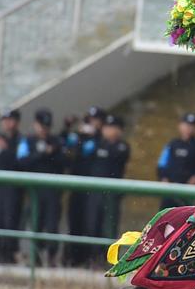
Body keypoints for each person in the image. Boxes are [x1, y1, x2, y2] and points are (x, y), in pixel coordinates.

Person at [17, 108, 63, 265]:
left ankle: (51, 256)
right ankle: (34, 257)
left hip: (52, 190)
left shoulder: (56, 141)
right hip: (34, 190)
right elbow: (22, 161)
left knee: (52, 225)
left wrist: (52, 152)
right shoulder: (28, 141)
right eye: (41, 126)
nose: (44, 130)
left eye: (46, 126)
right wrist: (42, 154)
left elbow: (64, 161)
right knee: (35, 223)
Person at [63, 106, 103, 266]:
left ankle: (90, 258)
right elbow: (68, 148)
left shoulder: (100, 140)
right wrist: (68, 127)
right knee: (75, 221)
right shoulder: (80, 137)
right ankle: (74, 257)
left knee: (92, 224)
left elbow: (91, 152)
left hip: (93, 188)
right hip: (76, 185)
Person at [85, 114, 130, 251]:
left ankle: (104, 258)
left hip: (112, 193)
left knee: (109, 226)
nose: (109, 131)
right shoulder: (96, 143)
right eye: (107, 127)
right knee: (92, 224)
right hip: (95, 191)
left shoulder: (122, 147)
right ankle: (91, 257)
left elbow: (116, 156)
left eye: (113, 128)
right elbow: (84, 153)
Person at [0, 109, 23, 263]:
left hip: (13, 186)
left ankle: (9, 253)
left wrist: (5, 150)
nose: (7, 123)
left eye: (10, 120)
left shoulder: (21, 141)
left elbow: (21, 162)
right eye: (5, 120)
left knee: (10, 219)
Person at [157, 113, 195, 209]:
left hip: (188, 192)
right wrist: (164, 178)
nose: (189, 128)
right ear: (180, 126)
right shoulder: (172, 144)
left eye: (192, 126)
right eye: (186, 125)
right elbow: (162, 164)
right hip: (170, 189)